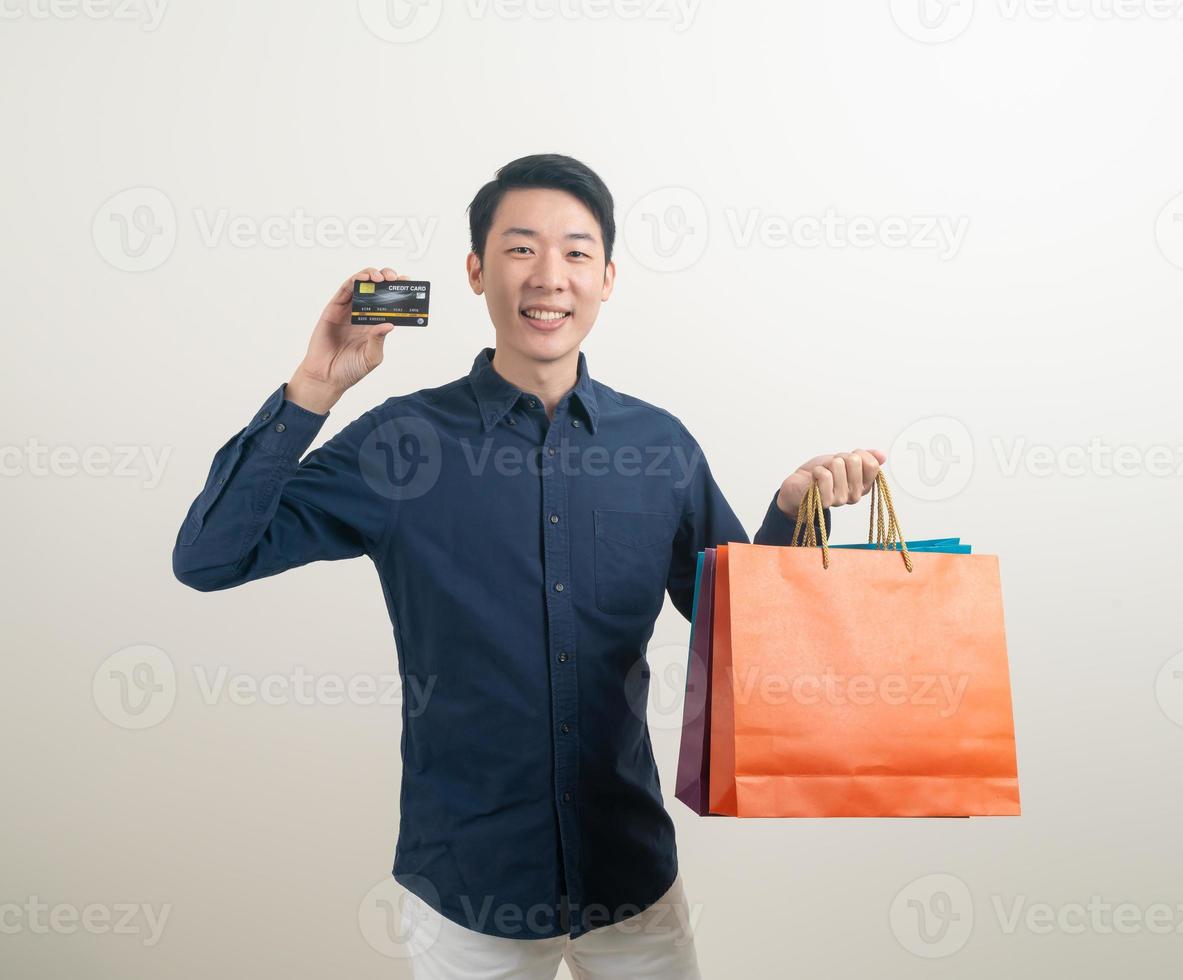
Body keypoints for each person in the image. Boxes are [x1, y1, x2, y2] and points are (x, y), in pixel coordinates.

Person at [172, 153, 885, 979]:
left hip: (631, 880)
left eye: (577, 252)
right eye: (520, 248)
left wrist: (792, 514)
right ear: (475, 271)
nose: (550, 275)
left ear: (608, 277)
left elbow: (751, 637)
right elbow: (210, 558)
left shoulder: (657, 448)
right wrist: (312, 389)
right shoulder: (404, 444)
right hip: (470, 891)